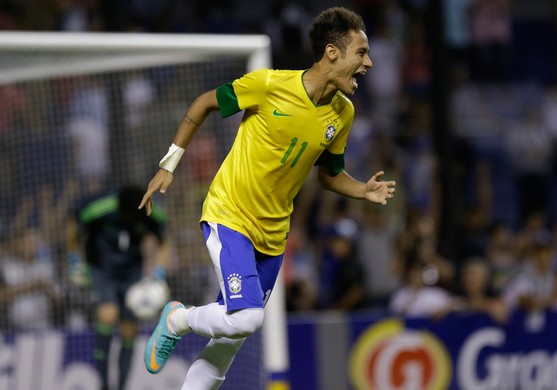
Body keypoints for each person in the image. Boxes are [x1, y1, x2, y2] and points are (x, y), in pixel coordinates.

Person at [138, 7, 396, 389]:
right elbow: (205, 103)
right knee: (247, 318)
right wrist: (169, 164)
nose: (369, 63)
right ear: (331, 53)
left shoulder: (343, 113)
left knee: (231, 339)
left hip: (274, 235)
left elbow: (328, 175)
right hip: (230, 214)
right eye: (361, 53)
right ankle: (178, 319)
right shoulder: (269, 85)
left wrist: (362, 189)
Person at [67, 185, 168, 390]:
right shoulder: (98, 209)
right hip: (101, 267)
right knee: (108, 314)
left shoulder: (150, 211)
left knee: (129, 330)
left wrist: (159, 274)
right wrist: (73, 259)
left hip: (131, 270)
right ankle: (103, 383)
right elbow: (73, 225)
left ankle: (122, 386)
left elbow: (163, 241)